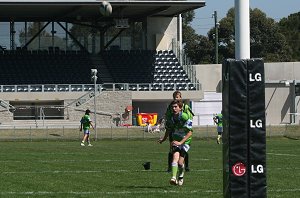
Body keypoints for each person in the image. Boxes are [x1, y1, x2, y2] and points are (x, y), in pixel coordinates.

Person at [158, 99, 193, 186]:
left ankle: (181, 176)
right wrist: (163, 139)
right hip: (175, 140)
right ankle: (173, 178)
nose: (173, 108)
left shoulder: (185, 117)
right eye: (172, 107)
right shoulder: (170, 119)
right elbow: (168, 130)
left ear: (180, 108)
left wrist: (181, 142)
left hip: (185, 142)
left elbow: (190, 132)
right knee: (175, 158)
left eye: (175, 107)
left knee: (181, 163)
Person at [165, 90, 194, 172]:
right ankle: (170, 167)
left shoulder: (185, 107)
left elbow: (190, 118)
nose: (176, 98)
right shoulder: (171, 106)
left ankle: (186, 166)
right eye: (174, 97)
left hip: (183, 130)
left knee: (183, 148)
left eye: (177, 97)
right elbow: (167, 116)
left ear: (181, 97)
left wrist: (186, 126)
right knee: (172, 148)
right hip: (174, 130)